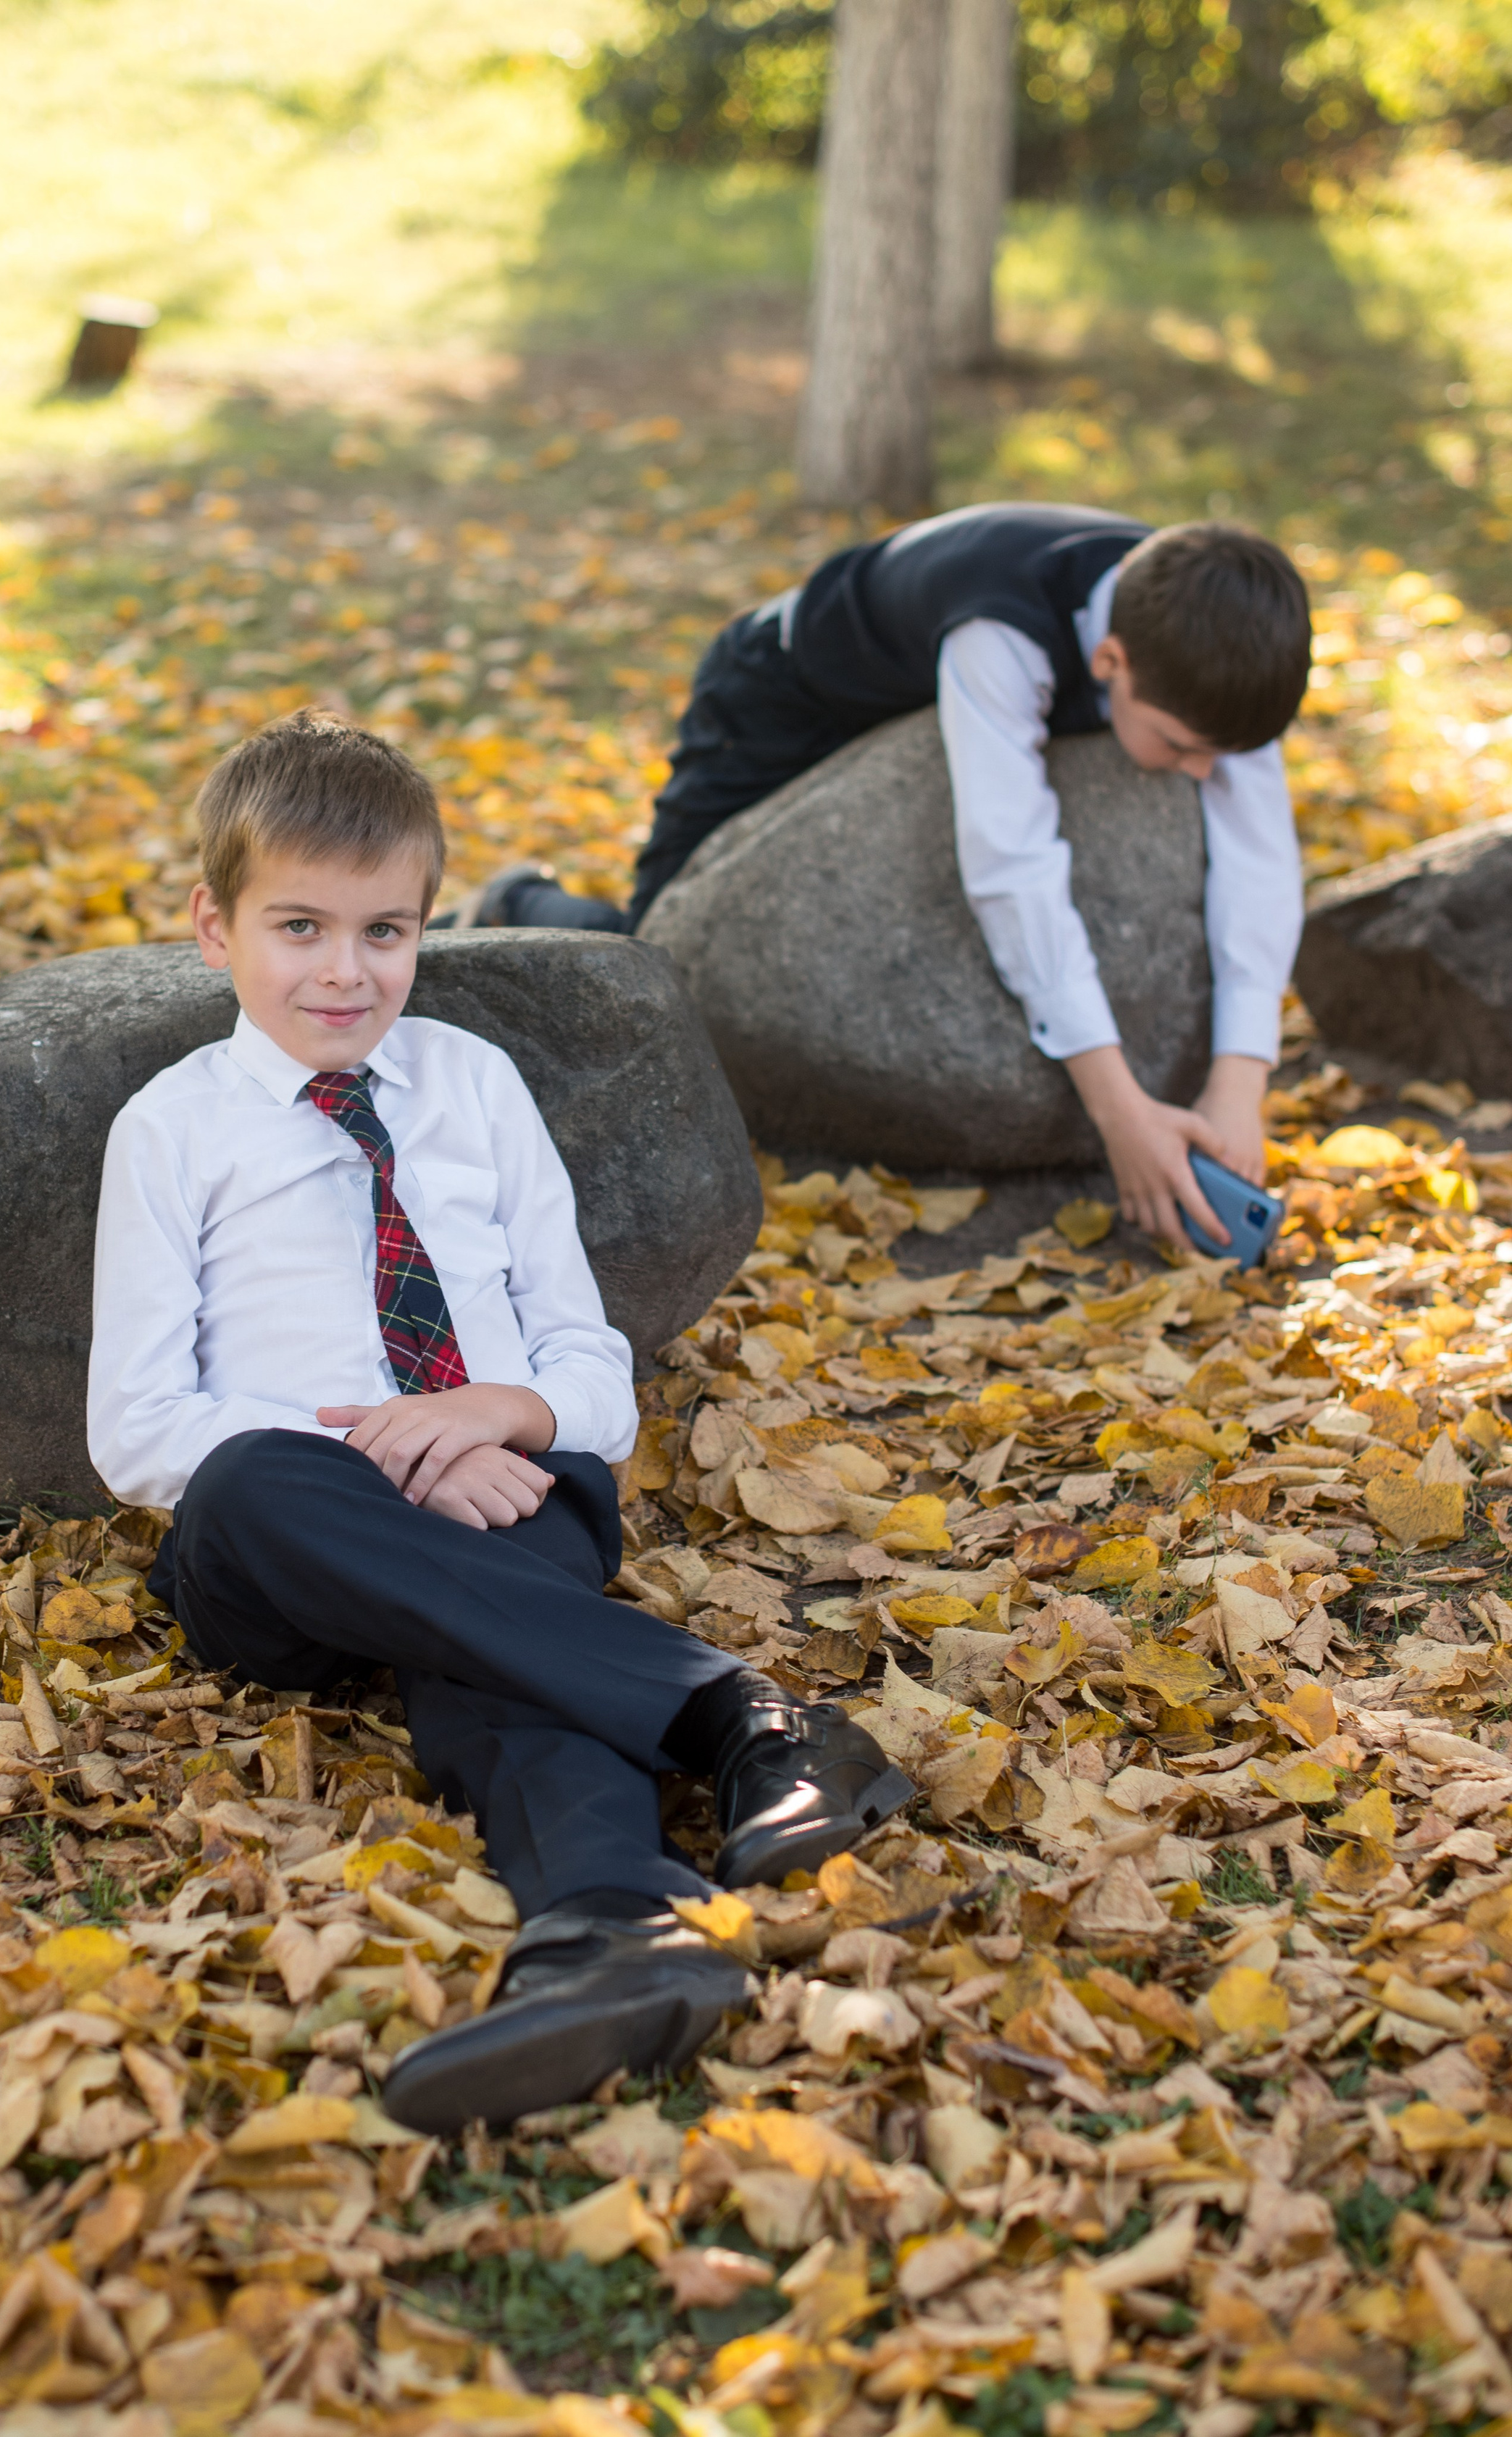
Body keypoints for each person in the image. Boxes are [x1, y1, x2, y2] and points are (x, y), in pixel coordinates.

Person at [87, 707, 912, 2133]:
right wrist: (391, 1445)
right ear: (212, 930)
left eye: (384, 932)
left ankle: (610, 1929)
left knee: (487, 1633)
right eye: (299, 927)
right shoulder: (171, 1129)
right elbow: (138, 1424)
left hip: (510, 1487)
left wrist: (496, 1412)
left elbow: (589, 1363)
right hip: (292, 1540)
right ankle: (738, 1715)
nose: (343, 970)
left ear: (422, 929)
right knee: (242, 1484)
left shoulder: (472, 1086)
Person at [448, 503, 1313, 1254]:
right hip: (780, 700)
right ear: (1111, 663)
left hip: (903, 707)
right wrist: (1119, 1111)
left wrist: (1239, 1083)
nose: (1201, 776)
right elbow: (1011, 869)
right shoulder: (1001, 630)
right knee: (658, 952)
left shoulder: (1208, 638)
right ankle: (520, 901)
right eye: (1181, 746)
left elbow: (1260, 859)